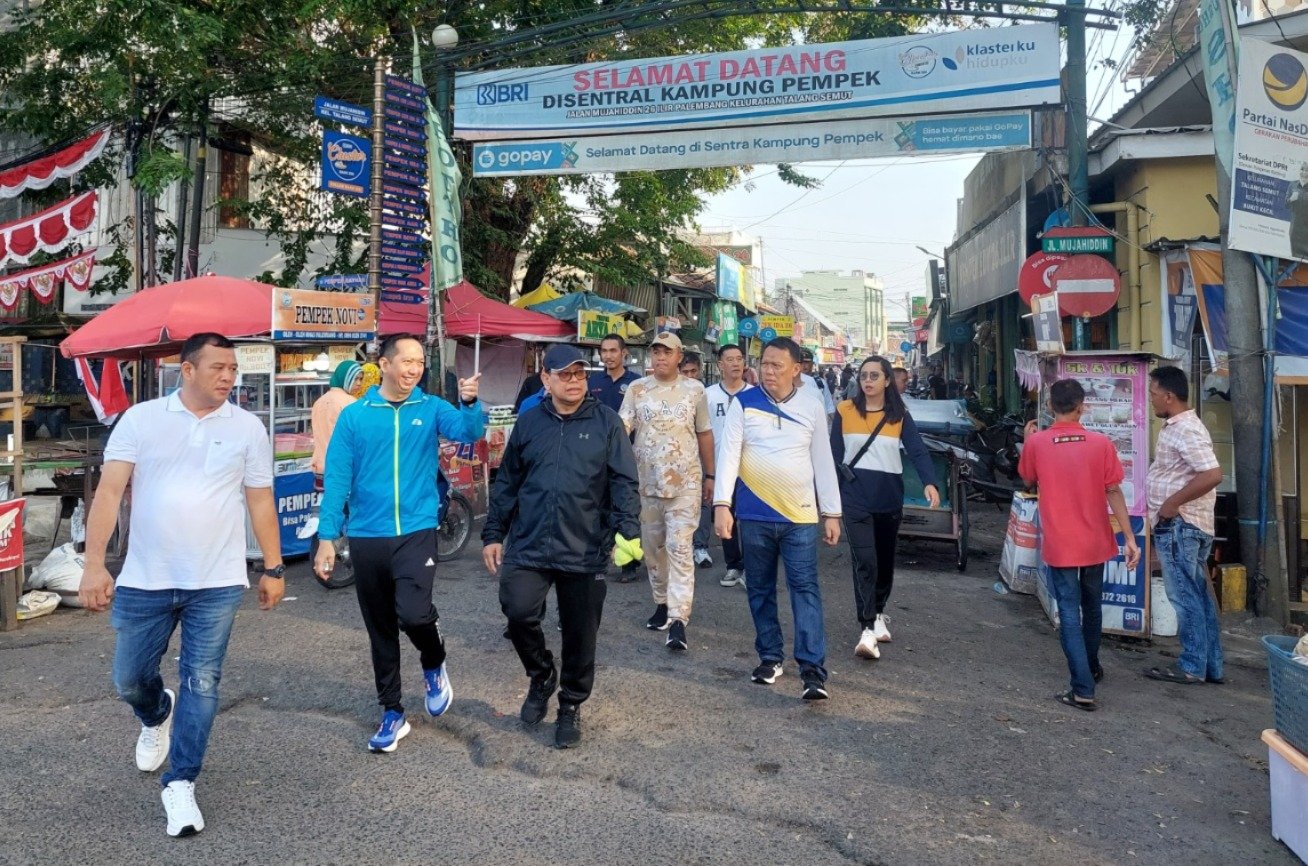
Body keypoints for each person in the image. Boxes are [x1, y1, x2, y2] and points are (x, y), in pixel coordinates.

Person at [77, 332, 285, 838]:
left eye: (233, 369)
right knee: (128, 678)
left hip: (216, 580)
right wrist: (94, 564)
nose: (229, 377)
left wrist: (274, 568)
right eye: (218, 367)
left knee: (204, 681)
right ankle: (156, 714)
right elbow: (109, 493)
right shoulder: (143, 419)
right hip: (146, 578)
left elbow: (259, 500)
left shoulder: (247, 428)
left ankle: (182, 781)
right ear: (186, 370)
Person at [315, 334, 484, 753]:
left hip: (416, 529)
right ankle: (391, 712)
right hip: (367, 534)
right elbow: (337, 478)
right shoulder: (355, 416)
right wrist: (326, 538)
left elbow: (469, 432)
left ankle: (433, 661)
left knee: (413, 614)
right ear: (384, 365)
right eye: (405, 361)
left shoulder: (429, 409)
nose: (413, 369)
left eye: (418, 363)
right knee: (380, 630)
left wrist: (469, 402)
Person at [483, 344, 641, 749]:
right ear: (546, 379)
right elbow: (508, 483)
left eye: (580, 374)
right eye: (565, 374)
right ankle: (541, 677)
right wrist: (493, 533)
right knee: (517, 613)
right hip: (530, 542)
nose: (574, 381)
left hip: (584, 545)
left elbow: (624, 481)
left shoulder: (606, 423)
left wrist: (628, 531)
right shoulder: (530, 422)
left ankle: (570, 704)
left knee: (580, 633)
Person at [714, 337, 842, 700]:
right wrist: (722, 504)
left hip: (799, 517)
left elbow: (822, 461)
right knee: (759, 589)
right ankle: (770, 657)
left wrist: (832, 512)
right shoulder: (744, 403)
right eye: (765, 364)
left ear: (796, 369)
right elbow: (729, 456)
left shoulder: (812, 406)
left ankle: (812, 670)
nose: (768, 371)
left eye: (777, 365)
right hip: (753, 514)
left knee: (805, 590)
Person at [1019, 379, 1139, 711]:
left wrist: (1027, 441)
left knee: (1069, 613)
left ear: (1048, 407)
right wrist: (1129, 538)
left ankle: (1083, 686)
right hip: (1094, 541)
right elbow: (1114, 491)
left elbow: (1027, 479)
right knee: (1093, 606)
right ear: (1082, 406)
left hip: (1061, 543)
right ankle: (1092, 667)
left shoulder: (1038, 443)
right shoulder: (1101, 444)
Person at [831, 356, 940, 661]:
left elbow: (917, 449)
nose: (868, 381)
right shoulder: (844, 410)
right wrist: (829, 499)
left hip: (889, 497)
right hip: (855, 496)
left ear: (887, 381)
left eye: (875, 376)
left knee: (884, 562)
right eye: (864, 375)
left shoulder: (899, 414)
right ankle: (866, 628)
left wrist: (930, 482)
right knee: (864, 560)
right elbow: (833, 456)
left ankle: (878, 611)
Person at [619, 332, 714, 652]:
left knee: (679, 547)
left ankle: (677, 619)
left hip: (685, 484)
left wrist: (711, 476)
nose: (660, 357)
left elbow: (704, 434)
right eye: (655, 352)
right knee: (653, 550)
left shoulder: (694, 390)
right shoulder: (636, 389)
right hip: (646, 484)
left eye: (666, 352)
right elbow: (622, 431)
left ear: (679, 357)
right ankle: (661, 602)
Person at [1143, 366, 1224, 686]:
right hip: (1186, 524)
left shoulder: (1185, 428)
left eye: (1152, 394)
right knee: (1198, 596)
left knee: (1185, 597)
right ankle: (1210, 665)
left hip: (1181, 525)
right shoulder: (1177, 426)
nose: (1151, 400)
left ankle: (1192, 664)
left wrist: (1172, 503)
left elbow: (1212, 474)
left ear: (1169, 396)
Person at [704, 343, 752, 588]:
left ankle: (752, 568)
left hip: (751, 470)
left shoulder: (755, 394)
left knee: (750, 519)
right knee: (725, 517)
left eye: (739, 358)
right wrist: (708, 473)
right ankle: (733, 566)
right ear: (720, 365)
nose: (736, 363)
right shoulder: (709, 395)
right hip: (721, 468)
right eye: (730, 359)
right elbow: (703, 433)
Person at [678, 351, 715, 569]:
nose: (690, 376)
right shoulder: (671, 393)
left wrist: (710, 469)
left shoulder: (705, 393)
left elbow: (708, 431)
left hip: (702, 456)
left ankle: (700, 546)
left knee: (704, 500)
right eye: (685, 372)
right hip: (678, 458)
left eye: (693, 371)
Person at [310, 360, 363, 476]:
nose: (359, 383)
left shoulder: (318, 402)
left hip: (319, 468)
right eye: (355, 379)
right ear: (344, 378)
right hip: (341, 470)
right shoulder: (352, 403)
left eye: (360, 379)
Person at [590, 333, 639, 412]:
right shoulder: (592, 381)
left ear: (623, 353)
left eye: (613, 351)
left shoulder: (637, 381)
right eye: (604, 351)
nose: (608, 356)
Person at [799, 348, 836, 420]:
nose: (803, 366)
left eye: (806, 363)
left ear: (812, 364)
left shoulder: (820, 382)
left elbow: (829, 407)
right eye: (801, 363)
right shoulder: (789, 382)